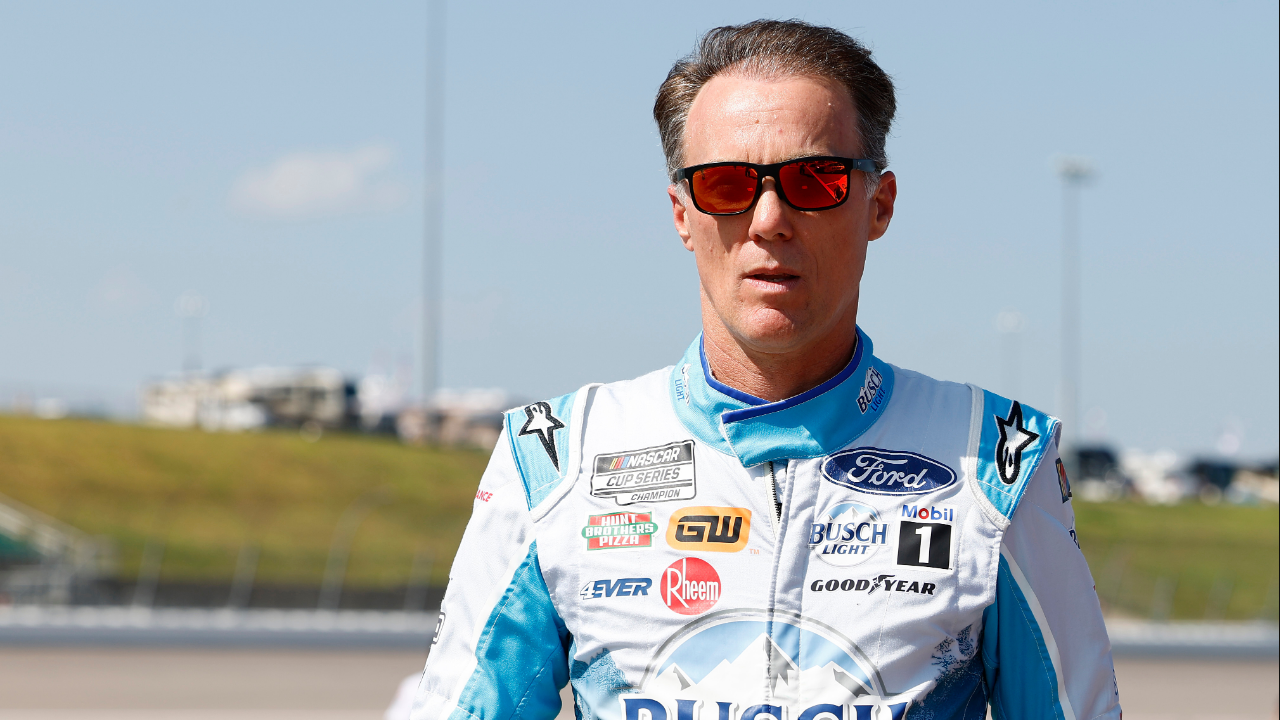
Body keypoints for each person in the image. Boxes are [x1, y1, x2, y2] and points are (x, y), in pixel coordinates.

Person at [413, 19, 1121, 720]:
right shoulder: (555, 459)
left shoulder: (1000, 463)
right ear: (682, 214)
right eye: (726, 185)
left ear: (880, 204)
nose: (770, 219)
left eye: (815, 180)